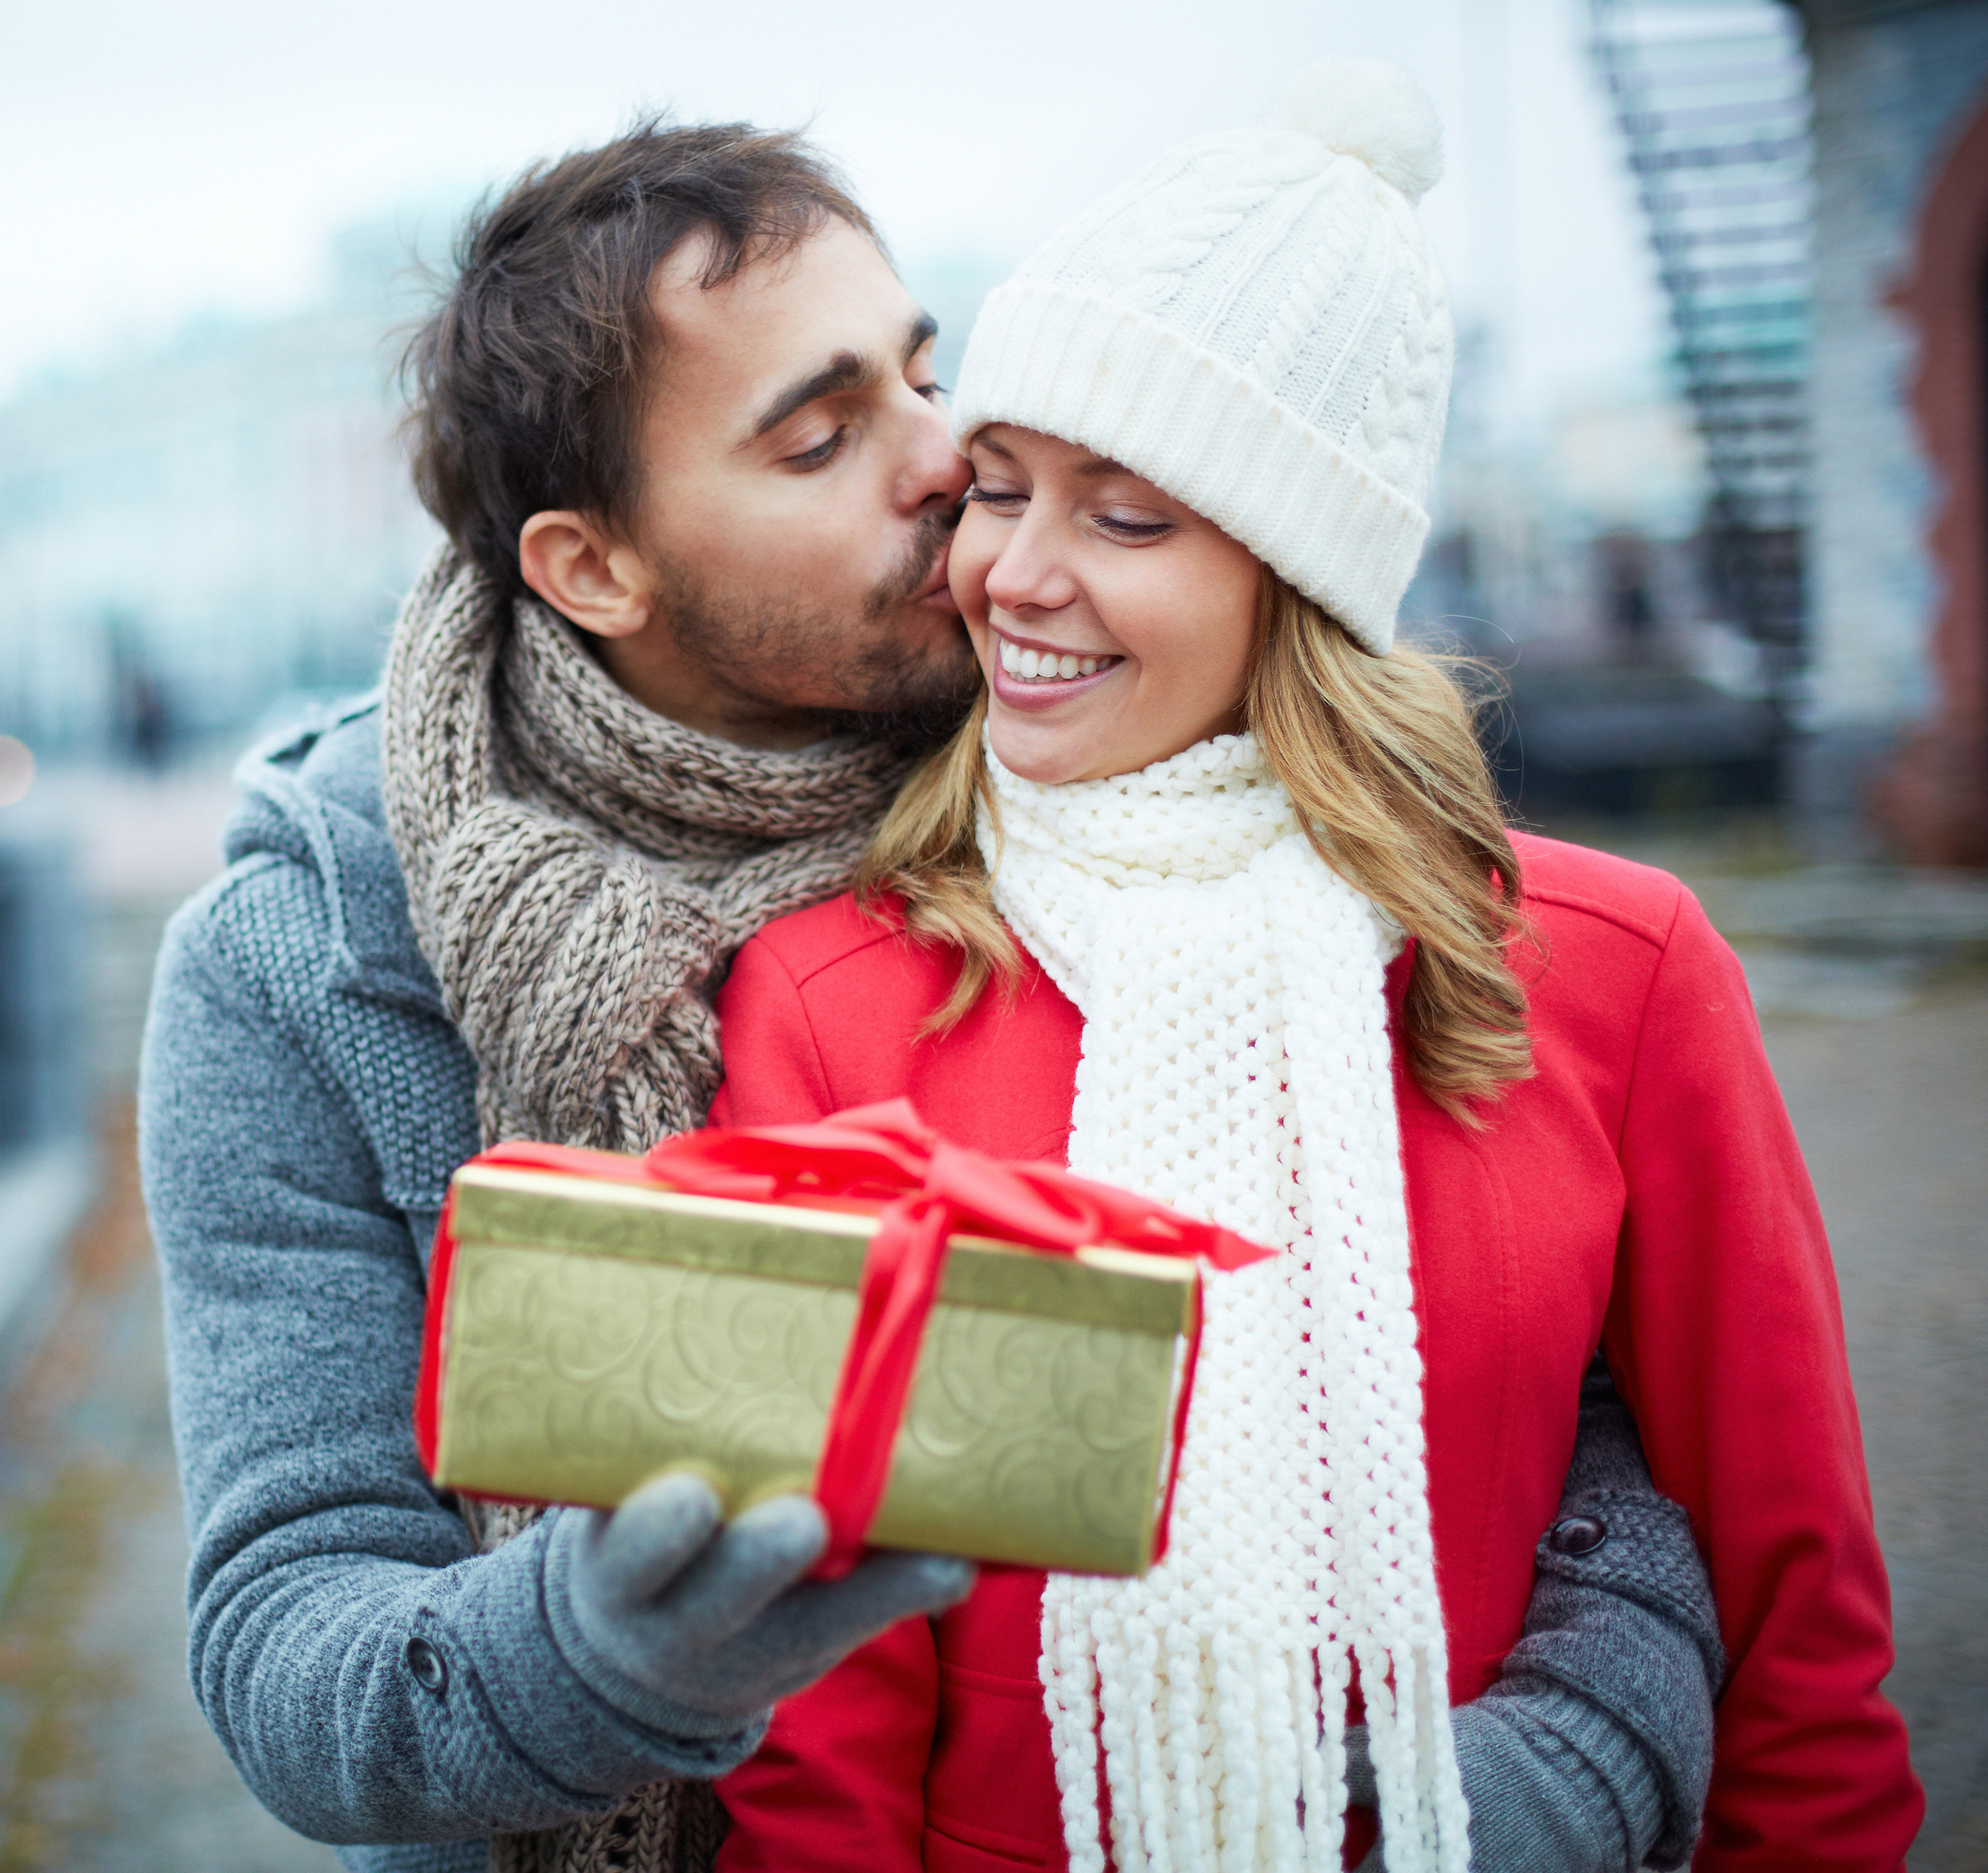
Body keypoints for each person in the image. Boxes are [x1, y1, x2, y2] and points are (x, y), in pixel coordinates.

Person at [142, 115, 1744, 1873]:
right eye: (823, 436)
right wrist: (607, 1644)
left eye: (927, 371)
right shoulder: (310, 955)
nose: (949, 457)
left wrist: (1574, 1747)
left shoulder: (1130, 766)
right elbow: (288, 1642)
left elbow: (1519, 1334)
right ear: (593, 569)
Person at [706, 63, 1921, 1873]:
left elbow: (1798, 1614)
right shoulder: (835, 998)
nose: (1014, 578)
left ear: (1300, 578)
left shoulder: (1607, 972)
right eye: (1003, 488)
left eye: (1129, 519)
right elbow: (820, 1715)